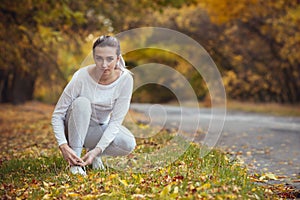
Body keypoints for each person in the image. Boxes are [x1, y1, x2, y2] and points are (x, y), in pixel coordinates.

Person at [51, 35, 136, 176]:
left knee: (128, 143)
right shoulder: (81, 76)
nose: (104, 64)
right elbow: (58, 114)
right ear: (94, 57)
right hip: (73, 128)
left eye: (109, 59)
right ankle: (75, 164)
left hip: (96, 130)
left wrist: (97, 150)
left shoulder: (125, 79)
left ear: (118, 59)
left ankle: (93, 155)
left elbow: (115, 122)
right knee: (82, 103)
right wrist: (63, 146)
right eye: (99, 58)